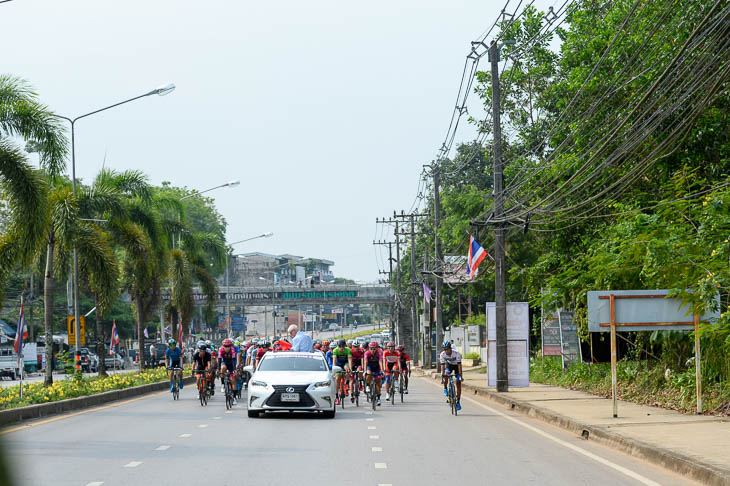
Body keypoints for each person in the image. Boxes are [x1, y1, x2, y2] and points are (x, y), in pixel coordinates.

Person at [440, 341, 463, 411]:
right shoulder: (442, 354)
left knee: (458, 382)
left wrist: (460, 375)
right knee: (446, 375)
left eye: (447, 349)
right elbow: (442, 366)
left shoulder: (456, 353)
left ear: (450, 348)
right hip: (449, 366)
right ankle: (445, 389)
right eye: (444, 349)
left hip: (457, 366)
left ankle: (458, 401)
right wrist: (442, 375)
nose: (446, 351)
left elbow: (459, 365)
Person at [218, 338, 238, 405]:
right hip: (225, 363)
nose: (227, 348)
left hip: (231, 364)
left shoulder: (232, 350)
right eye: (225, 346)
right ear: (223, 346)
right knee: (222, 368)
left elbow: (233, 361)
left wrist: (234, 369)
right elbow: (219, 360)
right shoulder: (221, 349)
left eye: (228, 346)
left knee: (233, 381)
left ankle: (234, 398)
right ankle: (223, 384)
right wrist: (218, 369)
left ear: (230, 346)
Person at [331, 340, 351, 405]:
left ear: (345, 346)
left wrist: (350, 368)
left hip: (345, 363)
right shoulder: (335, 350)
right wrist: (334, 369)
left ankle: (347, 383)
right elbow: (334, 361)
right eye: (340, 347)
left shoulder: (348, 350)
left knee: (347, 369)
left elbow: (350, 360)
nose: (342, 348)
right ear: (338, 346)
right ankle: (336, 396)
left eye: (343, 347)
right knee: (337, 379)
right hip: (338, 364)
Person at [364, 341, 383, 406]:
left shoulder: (379, 352)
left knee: (378, 383)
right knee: (368, 374)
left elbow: (380, 362)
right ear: (369, 348)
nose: (373, 350)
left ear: (377, 348)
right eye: (371, 348)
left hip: (377, 367)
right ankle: (367, 385)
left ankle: (378, 398)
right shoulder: (367, 353)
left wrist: (382, 371)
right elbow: (365, 362)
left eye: (374, 348)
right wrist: (364, 371)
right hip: (369, 366)